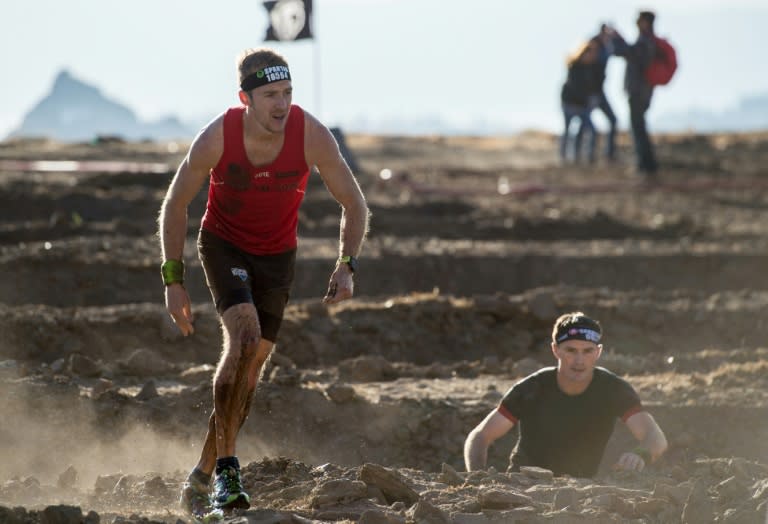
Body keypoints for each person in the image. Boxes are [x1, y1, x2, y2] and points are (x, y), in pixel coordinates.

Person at [158, 47, 369, 520]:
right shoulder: (218, 136)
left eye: (288, 93)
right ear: (245, 98)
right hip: (225, 245)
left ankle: (201, 473)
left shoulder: (311, 135)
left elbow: (354, 203)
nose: (282, 104)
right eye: (271, 94)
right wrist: (173, 279)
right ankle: (230, 473)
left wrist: (346, 264)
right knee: (244, 336)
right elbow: (176, 204)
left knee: (251, 372)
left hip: (278, 257)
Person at [464, 312, 667, 478]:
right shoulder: (531, 388)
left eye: (587, 351)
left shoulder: (613, 389)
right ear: (556, 350)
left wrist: (640, 454)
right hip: (522, 488)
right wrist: (477, 477)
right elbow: (480, 435)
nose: (579, 360)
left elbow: (656, 437)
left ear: (598, 352)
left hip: (579, 492)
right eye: (571, 350)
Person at [611, 11, 659, 177]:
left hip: (639, 91)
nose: (636, 22)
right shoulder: (646, 40)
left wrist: (617, 39)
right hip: (641, 91)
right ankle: (647, 165)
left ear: (645, 22)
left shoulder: (646, 41)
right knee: (639, 127)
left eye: (639, 19)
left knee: (638, 128)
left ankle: (645, 166)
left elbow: (630, 54)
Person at [577, 24, 618, 162]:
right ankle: (583, 156)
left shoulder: (604, 48)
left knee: (610, 120)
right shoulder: (594, 47)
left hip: (599, 92)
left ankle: (607, 154)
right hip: (592, 93)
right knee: (586, 125)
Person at [560, 40, 602, 164]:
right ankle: (564, 157)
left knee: (588, 130)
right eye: (590, 54)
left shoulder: (590, 68)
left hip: (582, 105)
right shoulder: (574, 67)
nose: (592, 56)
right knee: (568, 130)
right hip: (570, 104)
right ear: (584, 53)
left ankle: (584, 157)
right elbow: (574, 88)